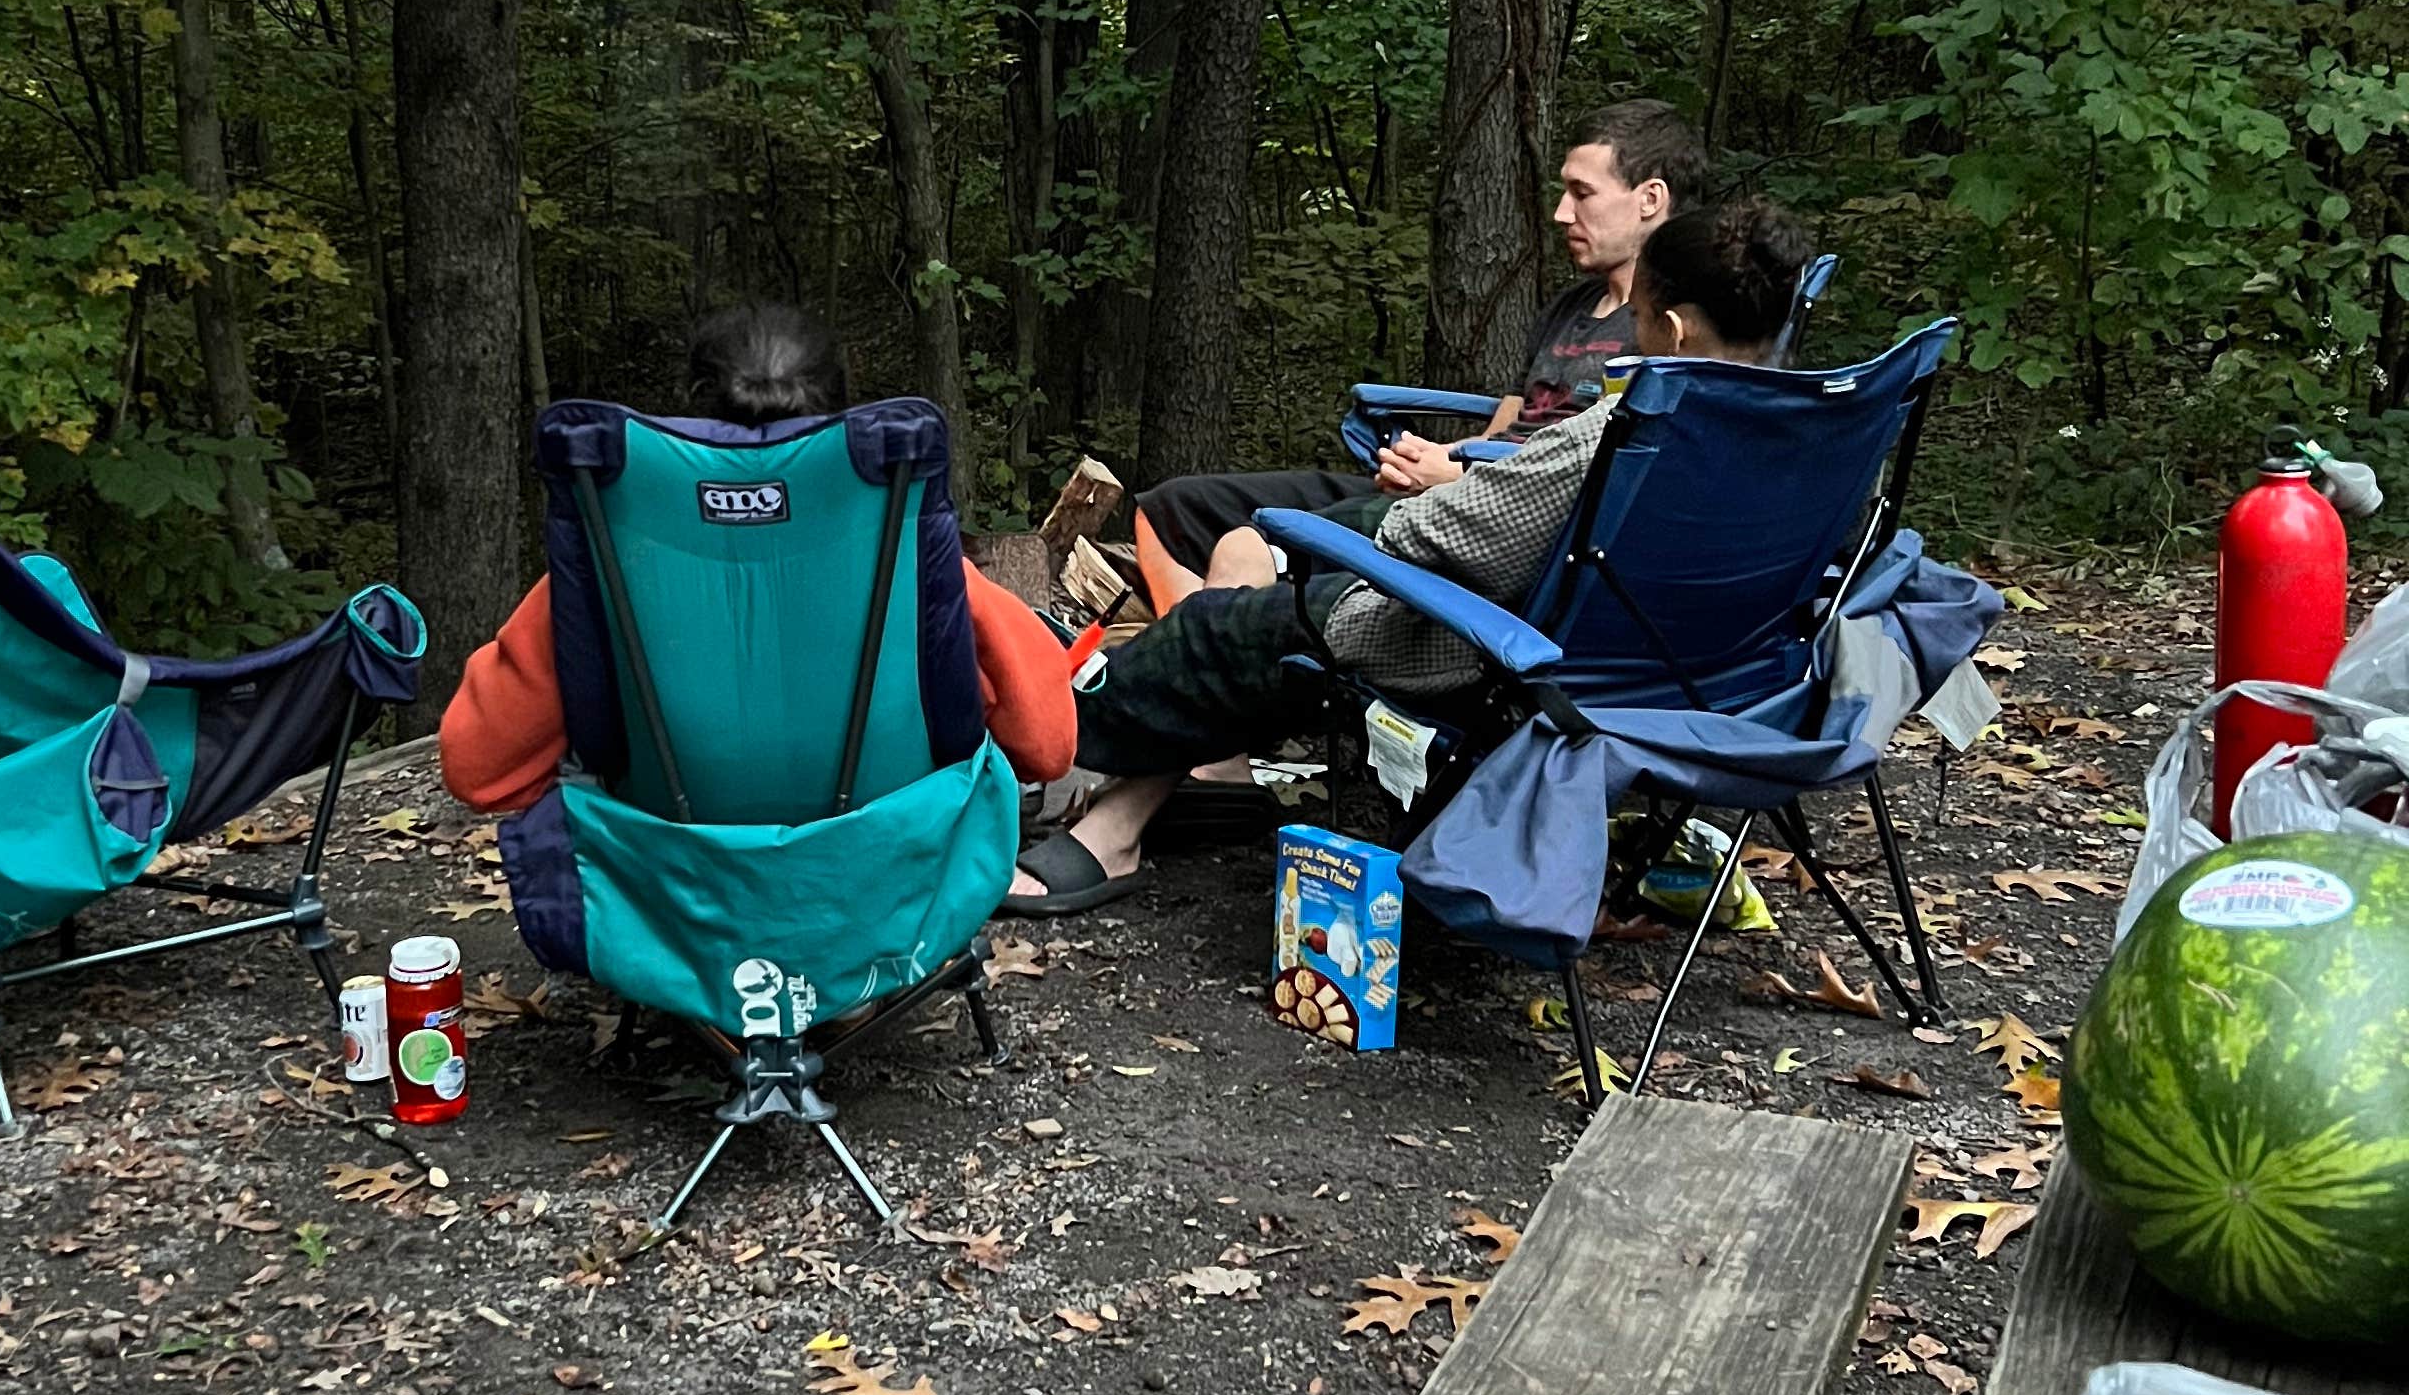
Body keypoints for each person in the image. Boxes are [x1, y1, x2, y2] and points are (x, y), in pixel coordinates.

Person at [1006, 197, 1816, 910]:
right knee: (1271, 572)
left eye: (1636, 321)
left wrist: (1363, 531)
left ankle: (1062, 740)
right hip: (1698, 677)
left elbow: (1432, 534)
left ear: (1671, 330)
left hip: (1504, 651)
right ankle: (1129, 816)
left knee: (1226, 625)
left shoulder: (1626, 430)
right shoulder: (1805, 431)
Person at [440, 299, 1079, 811]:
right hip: (888, 886)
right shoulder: (910, 568)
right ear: (838, 409)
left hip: (671, 892)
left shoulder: (610, 576)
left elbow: (476, 769)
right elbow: (1048, 746)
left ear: (694, 412)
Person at [1136, 97, 1714, 585]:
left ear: (1650, 199)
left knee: (1249, 550)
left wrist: (1461, 476)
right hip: (1457, 485)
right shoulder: (1570, 306)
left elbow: (1606, 478)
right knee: (1173, 507)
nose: (1562, 213)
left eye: (1582, 193)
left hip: (1507, 526)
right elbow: (1507, 423)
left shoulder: (1674, 332)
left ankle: (1183, 649)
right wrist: (1433, 460)